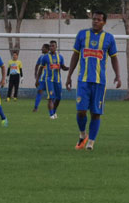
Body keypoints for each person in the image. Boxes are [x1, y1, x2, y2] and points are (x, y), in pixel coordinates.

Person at [66, 11, 121, 150]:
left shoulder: (109, 38)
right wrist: (69, 76)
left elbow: (114, 58)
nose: (95, 21)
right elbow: (75, 55)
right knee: (81, 111)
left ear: (104, 22)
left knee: (96, 113)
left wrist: (118, 75)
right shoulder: (82, 34)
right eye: (94, 19)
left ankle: (91, 142)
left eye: (99, 19)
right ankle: (82, 134)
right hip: (83, 81)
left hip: (99, 82)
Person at [36, 40, 69, 119]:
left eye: (53, 46)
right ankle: (51, 115)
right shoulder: (45, 57)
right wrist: (37, 79)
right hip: (49, 80)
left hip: (57, 80)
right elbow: (40, 68)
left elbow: (63, 67)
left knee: (58, 98)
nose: (51, 47)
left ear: (56, 47)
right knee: (51, 97)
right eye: (50, 46)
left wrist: (69, 68)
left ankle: (54, 111)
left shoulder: (60, 57)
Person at [32, 43, 49, 112]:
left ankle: (52, 109)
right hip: (42, 79)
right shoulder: (41, 57)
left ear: (47, 49)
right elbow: (37, 65)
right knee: (39, 91)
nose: (41, 49)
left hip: (49, 78)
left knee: (51, 94)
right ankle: (36, 107)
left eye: (43, 48)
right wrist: (36, 75)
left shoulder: (51, 57)